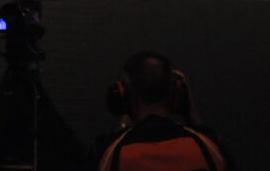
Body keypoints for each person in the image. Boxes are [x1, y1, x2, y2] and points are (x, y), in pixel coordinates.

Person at [94, 51, 231, 171]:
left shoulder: (108, 153)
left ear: (122, 94)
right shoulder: (209, 147)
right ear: (177, 92)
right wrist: (191, 114)